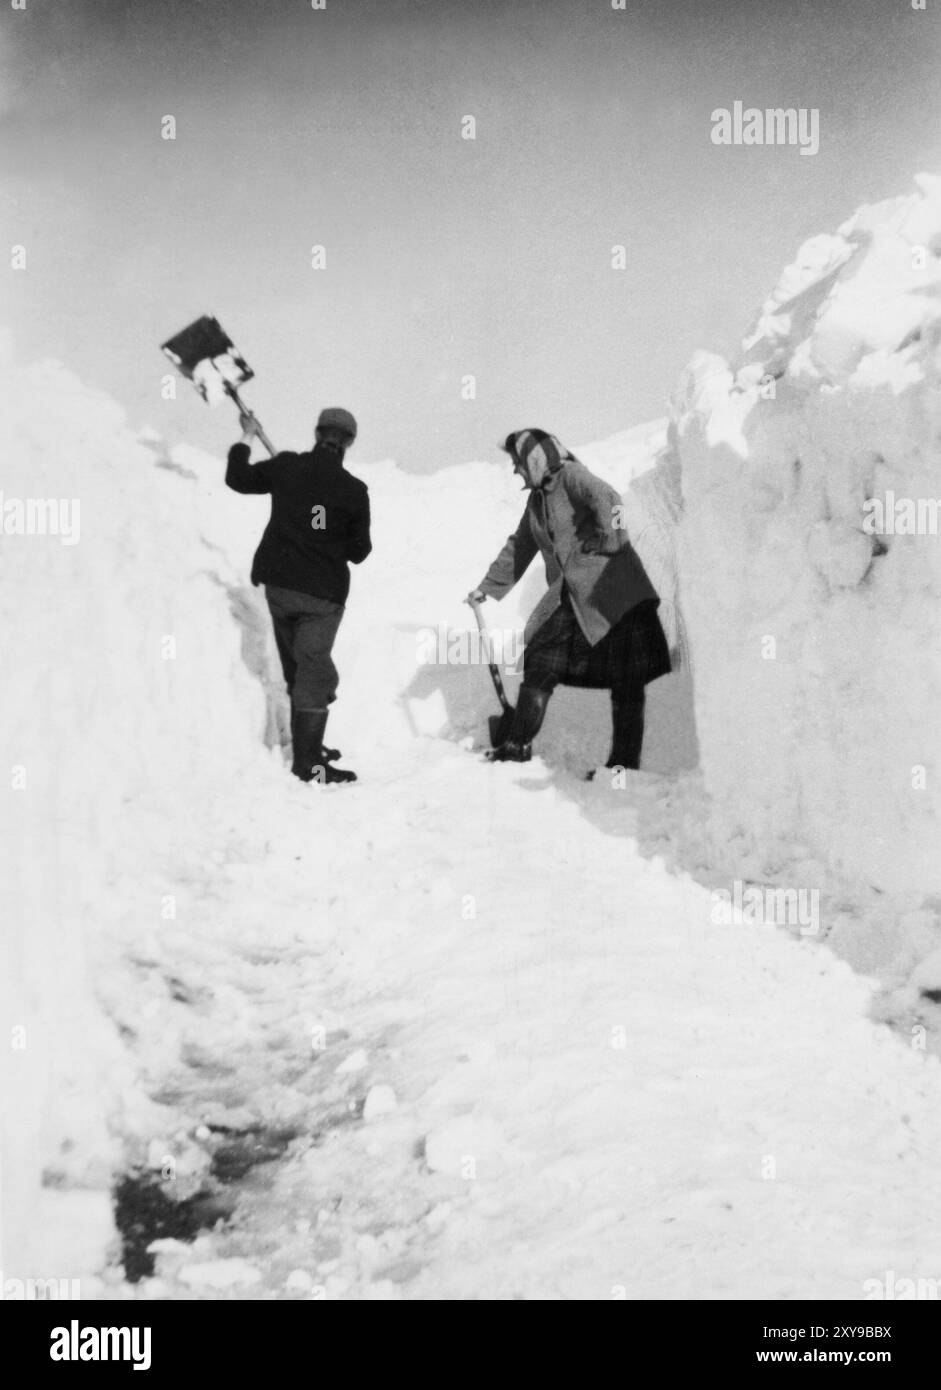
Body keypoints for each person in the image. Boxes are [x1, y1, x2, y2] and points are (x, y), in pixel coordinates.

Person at [468, 429, 670, 771]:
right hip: (580, 596)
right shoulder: (537, 501)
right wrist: (487, 587)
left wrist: (610, 541)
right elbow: (521, 544)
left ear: (534, 459)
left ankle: (623, 769)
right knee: (541, 660)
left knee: (627, 681)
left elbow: (611, 499)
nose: (515, 470)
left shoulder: (571, 476)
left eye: (517, 462)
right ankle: (516, 745)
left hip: (617, 591)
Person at [226, 406, 371, 784]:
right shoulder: (353, 491)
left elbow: (238, 478)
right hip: (321, 596)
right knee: (315, 672)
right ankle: (309, 764)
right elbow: (360, 551)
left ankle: (310, 746)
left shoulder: (288, 467)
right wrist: (328, 526)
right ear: (349, 443)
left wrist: (247, 436)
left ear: (317, 432)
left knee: (299, 668)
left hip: (280, 588)